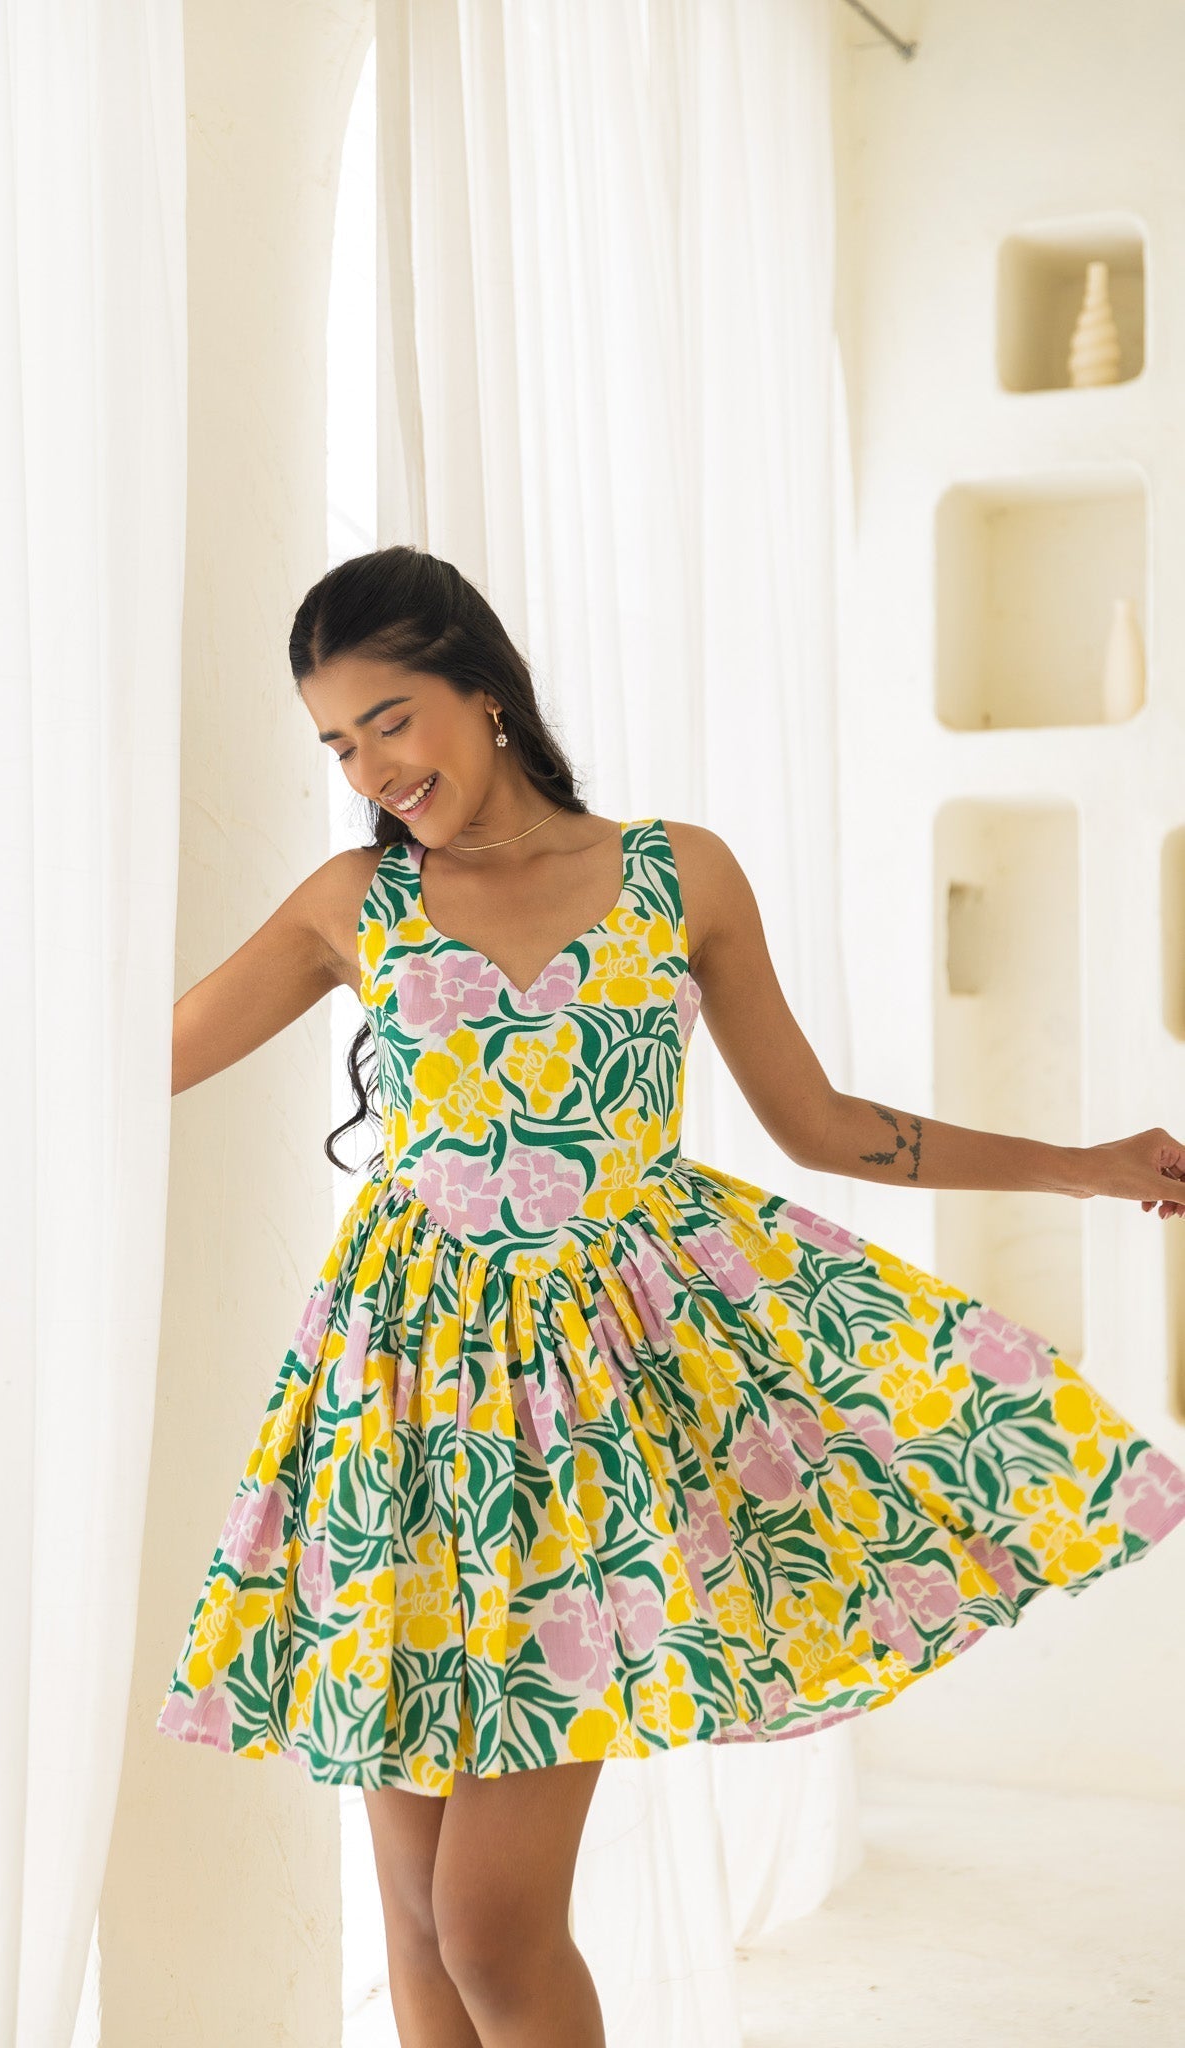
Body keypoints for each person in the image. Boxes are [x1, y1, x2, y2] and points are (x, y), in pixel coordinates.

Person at [157, 544, 1185, 2048]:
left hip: (587, 1413)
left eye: (390, 720)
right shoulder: (350, 903)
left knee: (490, 1929)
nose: (372, 770)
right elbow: (138, 1062)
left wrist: (1083, 1168)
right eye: (337, 745)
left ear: (481, 689)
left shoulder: (673, 874)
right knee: (420, 1927)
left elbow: (823, 1126)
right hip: (398, 1404)